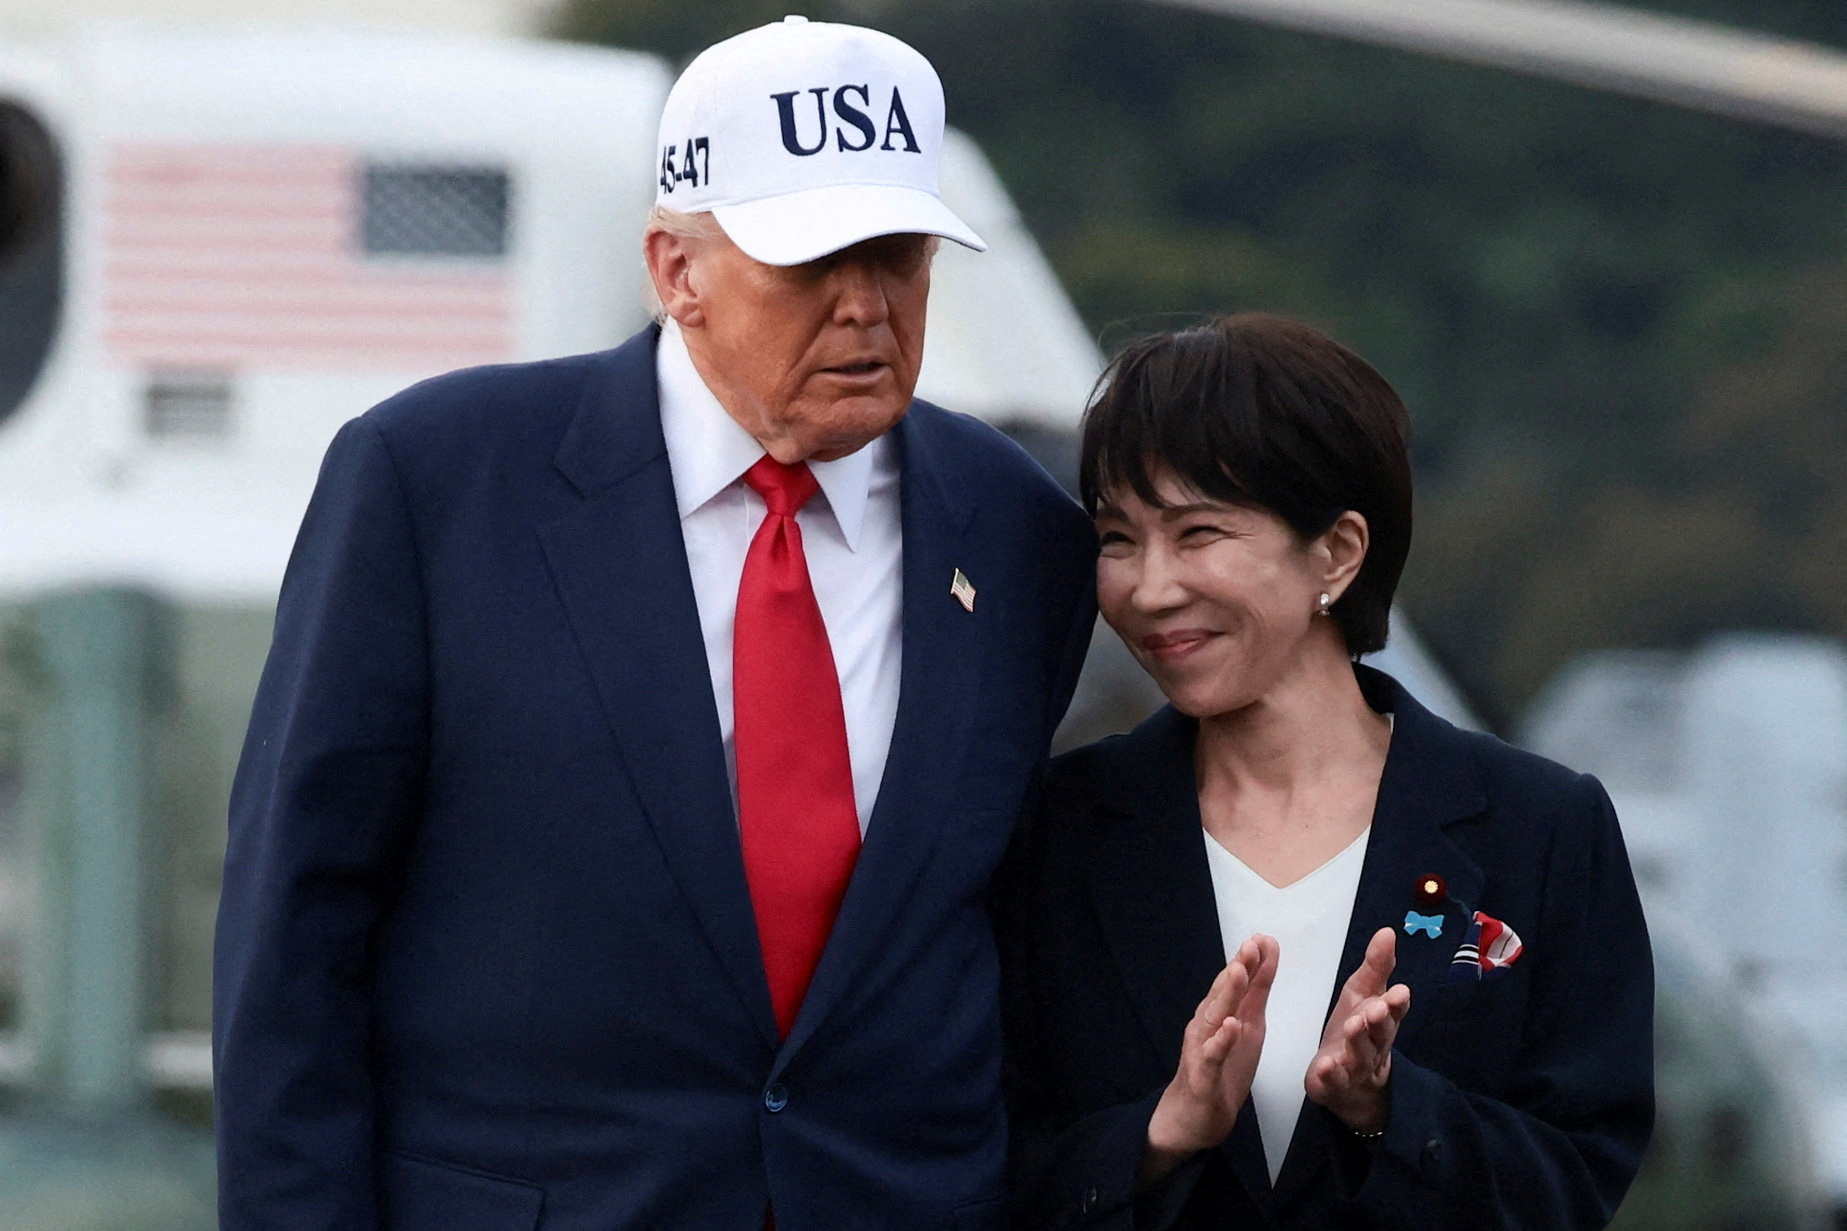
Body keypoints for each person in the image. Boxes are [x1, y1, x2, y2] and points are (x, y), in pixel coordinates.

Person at [213, 17, 1096, 1230]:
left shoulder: (1016, 532)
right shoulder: (432, 484)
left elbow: (999, 939)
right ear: (676, 270)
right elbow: (292, 944)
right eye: (811, 258)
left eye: (897, 253)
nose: (864, 306)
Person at [1002, 314, 1653, 1229]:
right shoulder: (1053, 831)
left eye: (1197, 534)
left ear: (1339, 552)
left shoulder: (1538, 828)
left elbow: (1581, 1177)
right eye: (1116, 539)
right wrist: (1155, 1135)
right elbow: (982, 1163)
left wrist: (1388, 1105)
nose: (1147, 588)